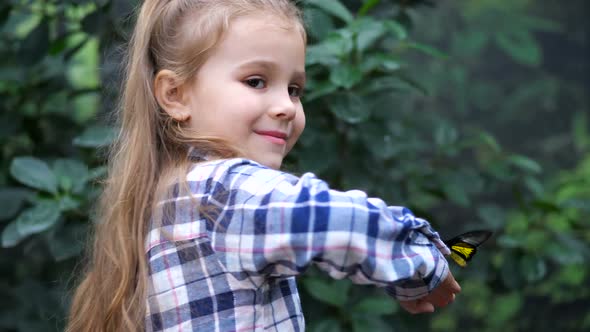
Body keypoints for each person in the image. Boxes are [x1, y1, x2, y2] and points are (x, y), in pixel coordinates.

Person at [66, 0, 461, 331]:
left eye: (294, 89)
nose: (286, 106)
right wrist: (424, 264)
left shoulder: (164, 198)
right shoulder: (223, 191)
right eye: (256, 81)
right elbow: (337, 221)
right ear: (176, 95)